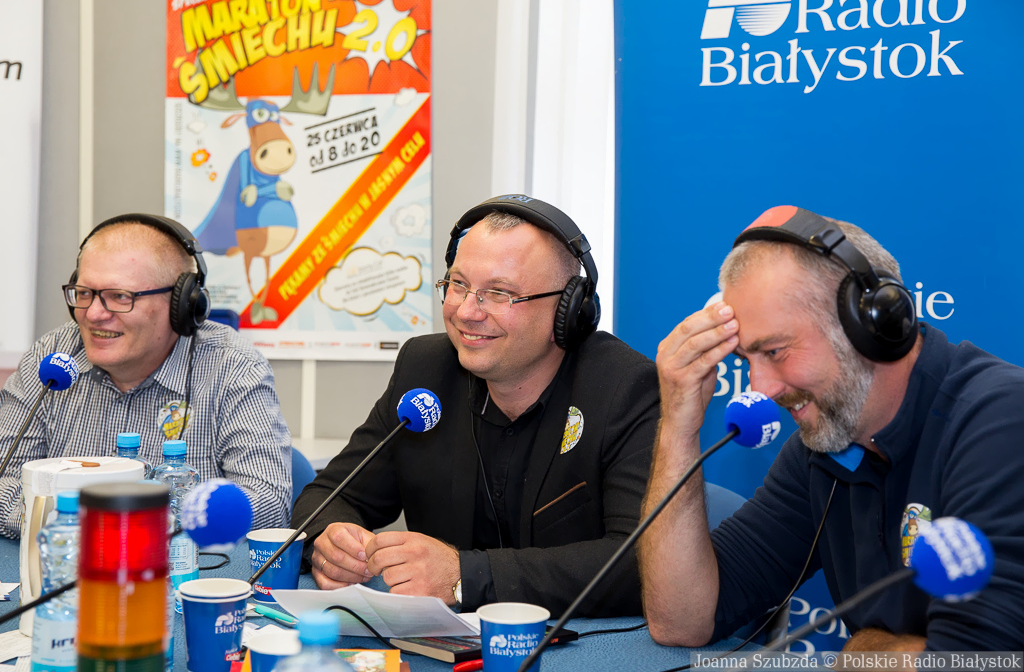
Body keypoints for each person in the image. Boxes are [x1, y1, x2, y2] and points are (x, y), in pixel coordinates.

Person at [639, 205, 1024, 651]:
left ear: (870, 324)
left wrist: (864, 650)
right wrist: (679, 429)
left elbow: (979, 659)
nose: (760, 390)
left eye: (776, 352)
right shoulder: (823, 450)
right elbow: (682, 620)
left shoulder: (1001, 423)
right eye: (746, 361)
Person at [293, 195, 659, 617]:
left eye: (499, 293)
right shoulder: (425, 370)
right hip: (433, 643)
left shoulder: (623, 389)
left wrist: (466, 575)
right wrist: (332, 540)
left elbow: (640, 561)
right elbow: (326, 496)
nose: (466, 312)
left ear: (568, 309)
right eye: (458, 285)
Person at [0, 214, 292, 538]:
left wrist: (122, 526)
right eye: (84, 293)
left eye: (120, 296)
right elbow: (3, 479)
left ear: (181, 304)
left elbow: (267, 504)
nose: (94, 314)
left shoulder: (232, 366)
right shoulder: (53, 356)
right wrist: (91, 527)